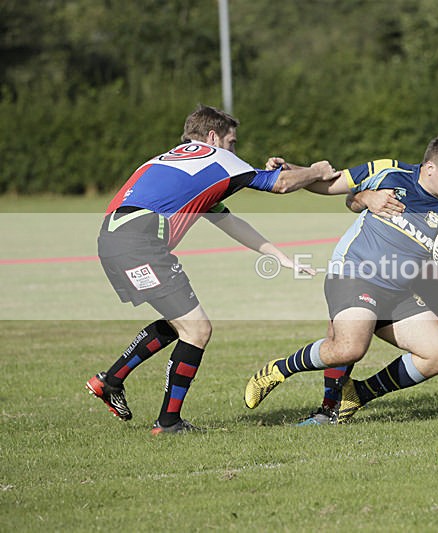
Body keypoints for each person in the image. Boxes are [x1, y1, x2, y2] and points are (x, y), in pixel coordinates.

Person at [86, 104, 339, 434]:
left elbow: (227, 221)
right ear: (212, 136)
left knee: (180, 322)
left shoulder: (173, 160)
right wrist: (317, 170)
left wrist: (278, 255)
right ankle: (168, 423)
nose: (235, 149)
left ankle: (110, 381)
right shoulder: (217, 157)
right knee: (197, 330)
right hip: (140, 243)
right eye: (232, 141)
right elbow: (280, 184)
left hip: (112, 240)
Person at [243, 135, 438, 423]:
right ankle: (279, 369)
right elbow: (330, 183)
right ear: (429, 167)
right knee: (350, 347)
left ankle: (357, 393)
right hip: (355, 274)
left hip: (398, 291)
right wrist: (292, 171)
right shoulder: (389, 171)